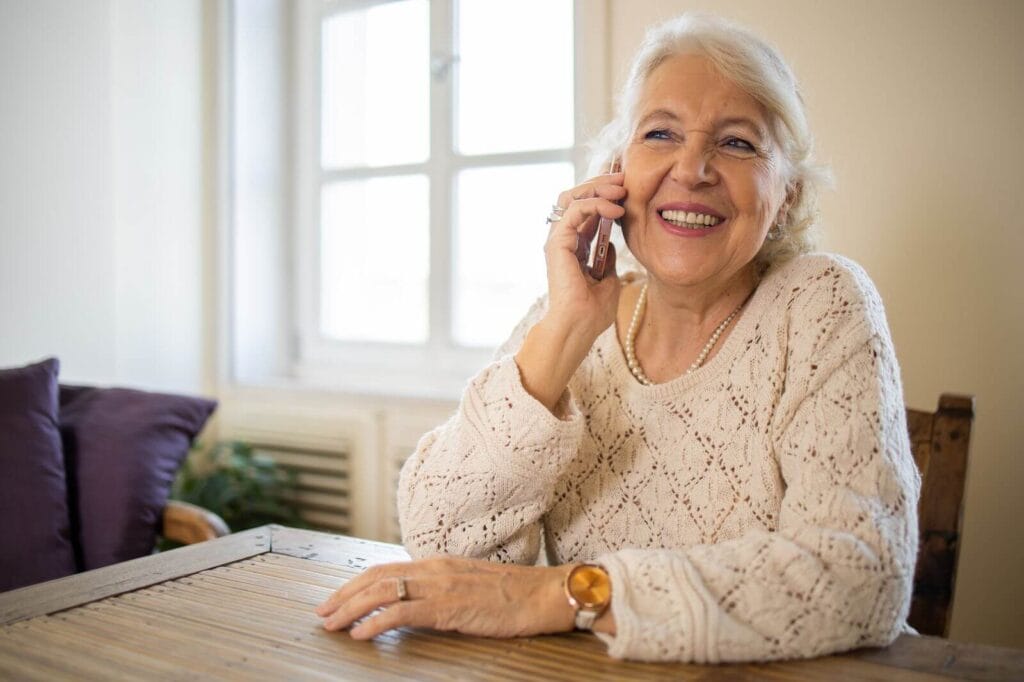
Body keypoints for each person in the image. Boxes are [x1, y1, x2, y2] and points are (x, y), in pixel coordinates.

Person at [317, 13, 920, 663]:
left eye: (738, 144)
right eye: (660, 133)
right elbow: (442, 537)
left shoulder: (822, 301)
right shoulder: (570, 313)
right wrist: (569, 328)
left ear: (788, 194)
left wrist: (556, 597)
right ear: (615, 173)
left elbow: (861, 577)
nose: (692, 168)